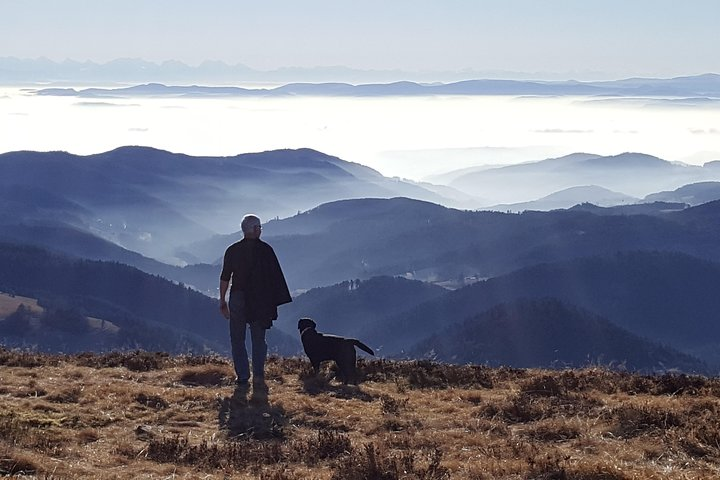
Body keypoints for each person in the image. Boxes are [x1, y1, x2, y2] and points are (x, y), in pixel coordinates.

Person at [219, 214, 292, 386]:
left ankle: (243, 376)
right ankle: (258, 374)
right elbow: (275, 278)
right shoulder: (266, 250)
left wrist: (222, 301)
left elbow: (225, 277)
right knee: (258, 338)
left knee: (237, 338)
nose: (260, 230)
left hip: (237, 297)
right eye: (259, 227)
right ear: (254, 229)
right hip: (260, 300)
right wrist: (274, 301)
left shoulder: (232, 250)